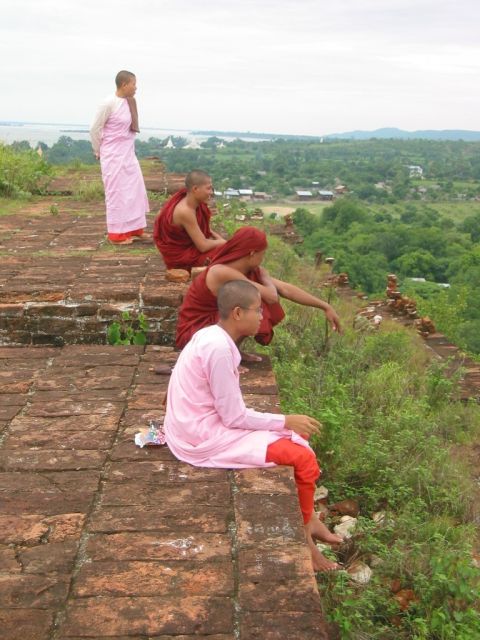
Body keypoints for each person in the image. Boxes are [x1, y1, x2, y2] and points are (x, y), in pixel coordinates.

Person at [165, 279, 342, 571]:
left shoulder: (213, 335)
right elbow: (233, 417)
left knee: (298, 443)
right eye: (257, 310)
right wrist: (286, 420)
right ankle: (306, 542)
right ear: (237, 313)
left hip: (192, 423)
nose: (261, 316)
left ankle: (309, 521)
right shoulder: (218, 349)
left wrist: (282, 424)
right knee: (303, 456)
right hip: (201, 435)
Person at [175, 226, 341, 357]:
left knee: (250, 302)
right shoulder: (222, 272)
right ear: (252, 254)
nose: (262, 260)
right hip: (195, 335)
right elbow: (271, 296)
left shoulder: (246, 271)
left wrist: (324, 306)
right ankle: (226, 355)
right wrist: (267, 278)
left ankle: (232, 351)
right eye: (262, 255)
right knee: (252, 304)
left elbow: (285, 289)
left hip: (212, 332)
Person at [90, 70, 149, 245]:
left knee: (135, 191)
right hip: (112, 154)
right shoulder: (108, 103)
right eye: (133, 84)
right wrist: (97, 149)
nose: (136, 87)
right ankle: (116, 234)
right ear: (124, 84)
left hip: (128, 153)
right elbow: (94, 129)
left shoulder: (130, 102)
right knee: (116, 193)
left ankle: (135, 229)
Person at [153, 170, 226, 270]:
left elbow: (206, 231)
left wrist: (221, 241)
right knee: (232, 255)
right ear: (195, 189)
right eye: (208, 188)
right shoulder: (185, 211)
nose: (211, 192)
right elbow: (203, 246)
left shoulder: (192, 201)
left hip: (192, 249)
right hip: (183, 258)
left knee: (230, 250)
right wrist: (222, 243)